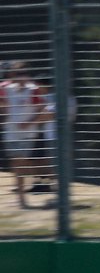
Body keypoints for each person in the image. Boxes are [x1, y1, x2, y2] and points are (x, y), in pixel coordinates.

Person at [2, 62, 49, 209]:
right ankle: (21, 196)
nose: (21, 77)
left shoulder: (33, 90)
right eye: (17, 74)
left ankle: (22, 198)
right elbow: (3, 106)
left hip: (27, 134)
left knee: (19, 163)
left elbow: (44, 111)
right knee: (16, 164)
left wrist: (29, 123)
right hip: (10, 132)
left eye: (24, 74)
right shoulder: (5, 89)